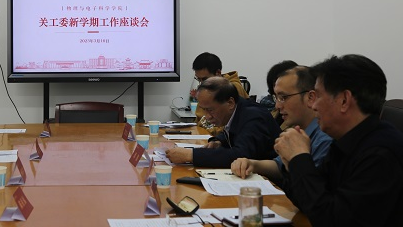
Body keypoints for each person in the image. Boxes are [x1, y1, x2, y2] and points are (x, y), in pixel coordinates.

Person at [275, 54, 403, 226]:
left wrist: (300, 158)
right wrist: (291, 163)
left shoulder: (380, 154)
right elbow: (312, 201)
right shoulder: (345, 141)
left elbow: (333, 220)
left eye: (318, 96)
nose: (313, 106)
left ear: (344, 100)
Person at [231, 66, 332, 187]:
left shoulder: (324, 139)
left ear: (310, 97)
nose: (277, 106)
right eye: (276, 98)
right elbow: (280, 165)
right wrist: (252, 164)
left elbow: (309, 187)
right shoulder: (298, 131)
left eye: (283, 98)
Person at [166, 76, 281, 167]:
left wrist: (191, 155)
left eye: (210, 110)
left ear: (230, 103)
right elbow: (232, 130)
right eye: (203, 109)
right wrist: (218, 141)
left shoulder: (254, 117)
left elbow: (241, 155)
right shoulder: (237, 110)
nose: (207, 116)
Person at [190, 52, 249, 132]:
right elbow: (199, 120)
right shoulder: (207, 89)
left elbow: (226, 128)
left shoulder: (232, 88)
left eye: (204, 79)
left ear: (218, 73)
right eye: (198, 79)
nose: (201, 83)